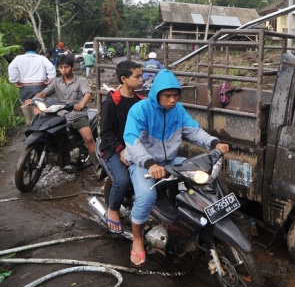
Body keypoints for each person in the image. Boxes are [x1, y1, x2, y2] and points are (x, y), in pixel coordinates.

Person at [123, 69, 228, 267]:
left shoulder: (178, 110)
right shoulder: (140, 110)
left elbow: (194, 131)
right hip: (143, 164)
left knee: (203, 177)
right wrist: (149, 163)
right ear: (156, 94)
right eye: (167, 96)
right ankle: (137, 239)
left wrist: (214, 143)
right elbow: (132, 141)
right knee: (146, 197)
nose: (172, 100)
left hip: (170, 161)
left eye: (175, 95)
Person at [99, 61, 144, 233]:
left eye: (141, 76)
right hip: (114, 149)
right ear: (124, 79)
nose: (141, 80)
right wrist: (121, 150)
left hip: (136, 147)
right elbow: (106, 133)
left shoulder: (141, 101)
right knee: (123, 180)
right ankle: (113, 208)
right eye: (137, 76)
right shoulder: (111, 102)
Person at [28, 54, 97, 162]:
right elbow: (44, 93)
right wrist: (34, 99)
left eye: (66, 67)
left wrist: (81, 104)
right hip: (59, 113)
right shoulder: (56, 82)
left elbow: (87, 94)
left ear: (72, 67)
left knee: (88, 139)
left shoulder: (81, 81)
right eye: (61, 67)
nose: (63, 70)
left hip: (77, 114)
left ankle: (96, 163)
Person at [8, 40, 57, 124]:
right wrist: (50, 79)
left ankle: (28, 122)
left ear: (24, 48)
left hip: (24, 86)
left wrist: (15, 80)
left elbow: (11, 68)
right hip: (39, 85)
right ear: (36, 48)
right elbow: (51, 68)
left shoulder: (18, 58)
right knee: (39, 103)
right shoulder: (42, 58)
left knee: (25, 103)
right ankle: (38, 123)